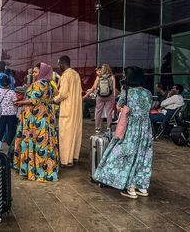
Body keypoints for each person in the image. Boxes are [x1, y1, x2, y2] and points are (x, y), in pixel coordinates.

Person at [94, 66, 153, 199]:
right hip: (145, 128)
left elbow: (120, 107)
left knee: (125, 154)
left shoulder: (128, 92)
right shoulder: (148, 93)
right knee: (143, 156)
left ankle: (130, 187)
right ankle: (142, 187)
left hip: (131, 127)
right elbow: (148, 108)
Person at [13, 63, 60, 181]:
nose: (33, 74)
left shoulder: (39, 84)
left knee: (35, 143)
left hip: (35, 119)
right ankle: (47, 171)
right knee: (46, 143)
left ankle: (35, 172)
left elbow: (33, 100)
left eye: (36, 72)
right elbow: (54, 98)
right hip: (46, 118)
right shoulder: (50, 85)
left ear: (42, 72)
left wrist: (20, 103)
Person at [53, 55, 82, 167]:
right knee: (74, 133)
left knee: (65, 135)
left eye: (58, 63)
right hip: (76, 109)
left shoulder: (65, 76)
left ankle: (65, 160)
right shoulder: (76, 74)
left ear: (61, 64)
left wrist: (55, 99)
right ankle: (74, 157)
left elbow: (63, 94)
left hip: (67, 109)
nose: (58, 66)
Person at [83, 64, 116, 133]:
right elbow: (113, 89)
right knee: (109, 113)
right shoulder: (112, 77)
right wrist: (114, 98)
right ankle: (109, 127)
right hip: (109, 97)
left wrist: (85, 96)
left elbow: (93, 88)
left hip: (100, 97)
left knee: (98, 112)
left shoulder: (99, 77)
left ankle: (97, 128)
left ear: (102, 70)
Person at [0, 75, 17, 145]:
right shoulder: (12, 92)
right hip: (11, 114)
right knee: (10, 130)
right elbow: (15, 102)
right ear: (9, 83)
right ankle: (9, 144)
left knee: (1, 129)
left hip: (2, 113)